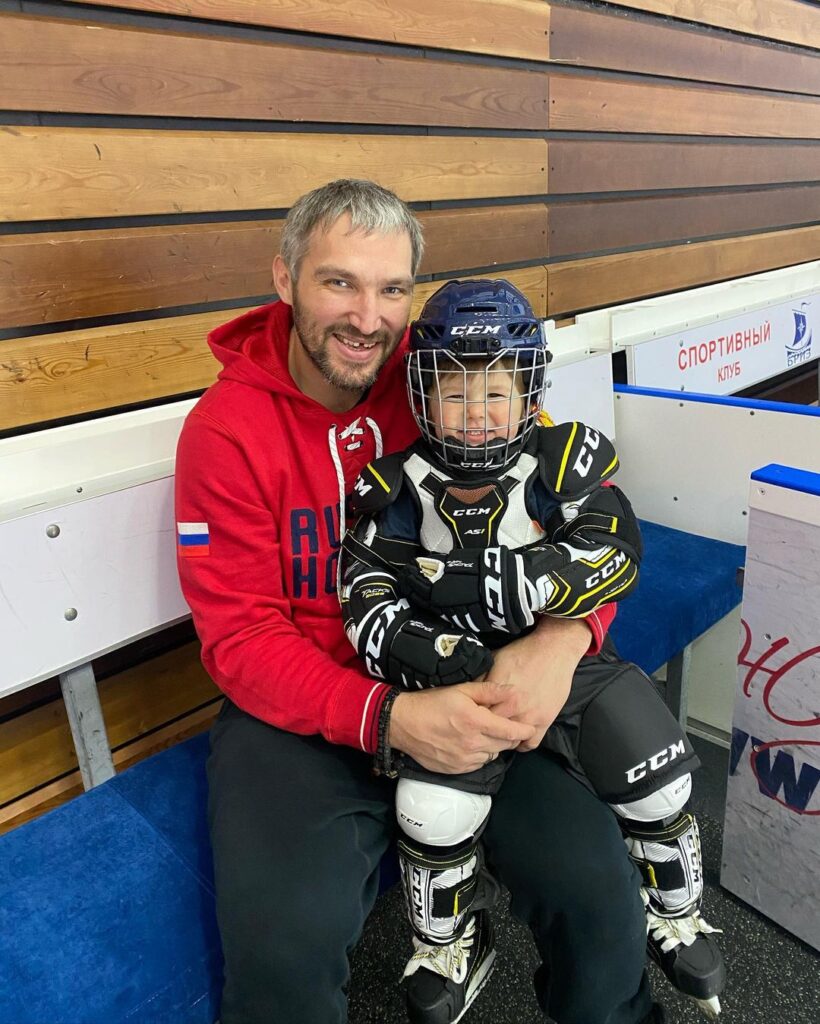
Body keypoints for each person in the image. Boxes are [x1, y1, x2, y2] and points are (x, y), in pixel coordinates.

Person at [175, 178, 665, 1024]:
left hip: (472, 676)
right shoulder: (224, 433)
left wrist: (566, 639)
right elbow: (242, 639)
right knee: (282, 958)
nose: (368, 317)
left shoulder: (449, 375)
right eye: (340, 282)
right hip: (305, 714)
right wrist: (388, 718)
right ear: (284, 278)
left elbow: (587, 513)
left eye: (392, 289)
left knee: (598, 896)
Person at [340, 279, 726, 1024]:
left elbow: (616, 548)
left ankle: (677, 916)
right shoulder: (395, 487)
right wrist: (427, 648)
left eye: (496, 390)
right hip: (453, 679)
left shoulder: (562, 461)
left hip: (568, 666)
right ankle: (446, 944)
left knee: (660, 779)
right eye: (455, 391)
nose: (477, 413)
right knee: (430, 811)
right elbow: (364, 596)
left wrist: (533, 581)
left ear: (530, 390)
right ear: (422, 393)